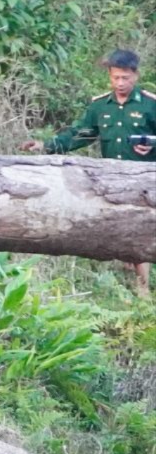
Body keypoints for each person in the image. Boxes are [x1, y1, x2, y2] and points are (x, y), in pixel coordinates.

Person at [24, 48, 155, 292]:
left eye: (125, 78)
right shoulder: (100, 106)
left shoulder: (150, 105)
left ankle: (143, 290)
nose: (120, 83)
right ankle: (120, 285)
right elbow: (82, 134)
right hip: (112, 180)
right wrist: (47, 145)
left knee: (138, 232)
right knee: (118, 231)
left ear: (135, 76)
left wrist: (152, 145)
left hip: (144, 182)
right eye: (115, 77)